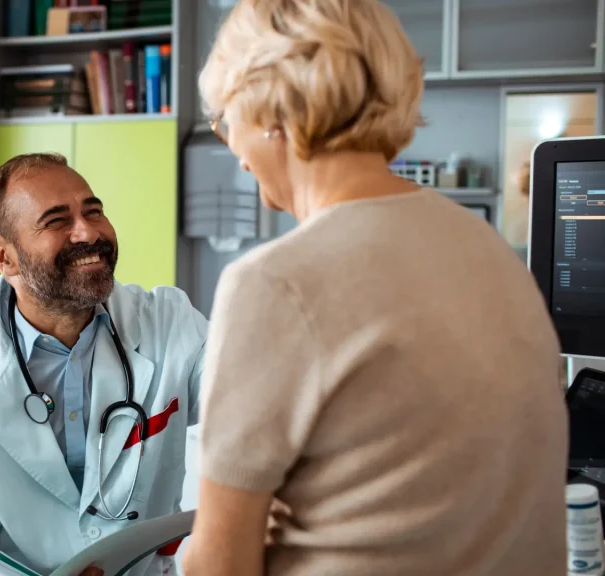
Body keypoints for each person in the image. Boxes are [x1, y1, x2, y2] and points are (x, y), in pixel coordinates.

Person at [182, 1, 567, 575]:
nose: (230, 145)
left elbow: (219, 564)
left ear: (270, 110)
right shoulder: (486, 245)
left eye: (224, 117)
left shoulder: (272, 283)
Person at [0, 152, 210, 576]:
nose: (88, 232)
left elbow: (255, 410)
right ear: (4, 257)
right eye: (57, 221)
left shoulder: (169, 322)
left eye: (93, 211)